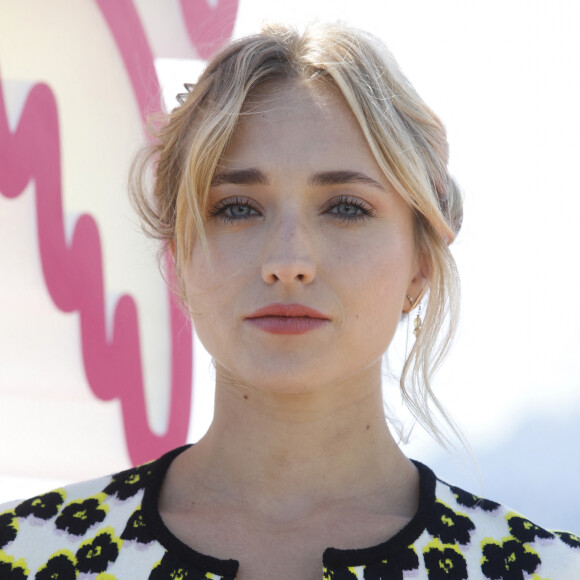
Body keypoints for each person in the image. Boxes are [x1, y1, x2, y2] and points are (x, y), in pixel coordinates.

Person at [1, 22, 579, 580]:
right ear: (176, 254)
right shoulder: (25, 557)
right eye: (236, 208)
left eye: (346, 207)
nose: (287, 261)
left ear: (420, 264)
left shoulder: (548, 570)